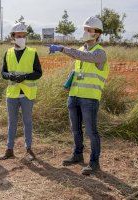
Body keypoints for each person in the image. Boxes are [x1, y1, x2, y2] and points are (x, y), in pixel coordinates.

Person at [49, 16, 109, 175]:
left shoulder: (100, 53)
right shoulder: (81, 51)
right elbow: (79, 68)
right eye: (85, 29)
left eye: (89, 30)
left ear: (97, 34)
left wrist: (62, 48)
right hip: (74, 95)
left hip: (89, 98)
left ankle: (94, 163)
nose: (86, 32)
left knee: (91, 131)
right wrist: (70, 79)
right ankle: (77, 155)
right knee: (75, 129)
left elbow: (83, 57)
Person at [0, 22, 42, 161]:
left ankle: (28, 149)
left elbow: (38, 73)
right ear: (13, 37)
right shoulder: (8, 53)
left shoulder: (32, 52)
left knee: (27, 122)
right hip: (12, 94)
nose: (21, 38)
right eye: (19, 36)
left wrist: (25, 76)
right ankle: (9, 149)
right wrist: (10, 76)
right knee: (12, 122)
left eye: (23, 36)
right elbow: (3, 72)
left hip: (27, 94)